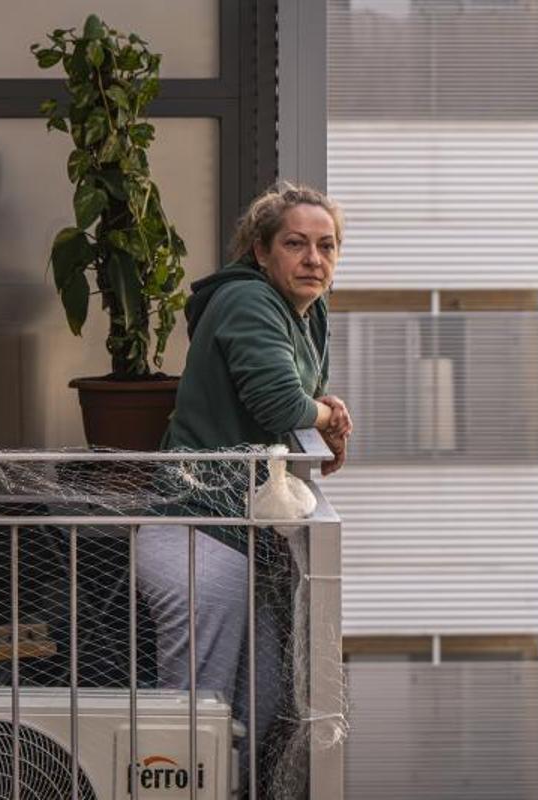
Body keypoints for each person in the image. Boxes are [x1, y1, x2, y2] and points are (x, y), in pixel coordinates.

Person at [136, 181, 352, 784]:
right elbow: (282, 401)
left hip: (239, 537)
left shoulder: (307, 309)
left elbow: (296, 396)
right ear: (261, 251)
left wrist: (322, 407)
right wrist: (329, 416)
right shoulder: (250, 302)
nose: (314, 259)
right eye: (296, 244)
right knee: (196, 709)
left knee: (256, 704)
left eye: (327, 246)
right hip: (196, 531)